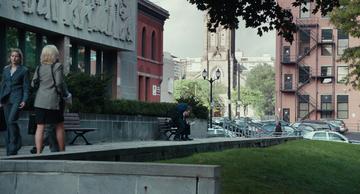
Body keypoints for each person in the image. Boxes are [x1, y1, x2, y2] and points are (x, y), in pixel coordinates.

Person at [32, 45, 67, 154]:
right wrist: (63, 95)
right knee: (59, 126)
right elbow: (59, 83)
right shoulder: (58, 66)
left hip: (39, 102)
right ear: (54, 54)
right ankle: (62, 151)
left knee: (39, 127)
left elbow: (33, 83)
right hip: (53, 101)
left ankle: (38, 153)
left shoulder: (39, 67)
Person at [0, 48, 30, 156]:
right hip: (6, 99)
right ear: (10, 57)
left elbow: (26, 88)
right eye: (12, 56)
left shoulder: (24, 70)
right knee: (8, 124)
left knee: (12, 120)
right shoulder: (5, 69)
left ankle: (15, 142)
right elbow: (2, 85)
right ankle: (10, 149)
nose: (14, 58)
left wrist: (24, 100)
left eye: (16, 56)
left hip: (17, 98)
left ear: (20, 58)